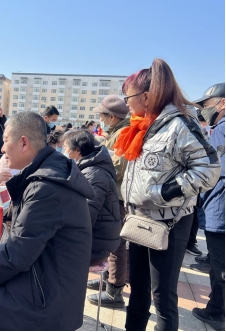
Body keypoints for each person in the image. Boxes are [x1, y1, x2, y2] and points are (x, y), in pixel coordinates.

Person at [0, 112, 94, 331]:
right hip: (46, 282)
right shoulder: (50, 172)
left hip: (46, 297)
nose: (2, 149)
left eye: (5, 141)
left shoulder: (47, 187)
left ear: (23, 143)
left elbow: (17, 253)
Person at [114, 59, 220, 331]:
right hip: (139, 220)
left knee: (163, 296)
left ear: (147, 96)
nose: (125, 101)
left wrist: (164, 191)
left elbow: (208, 169)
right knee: (137, 289)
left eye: (128, 95)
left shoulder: (179, 125)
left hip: (169, 223)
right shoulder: (141, 127)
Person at [86, 95, 131, 308]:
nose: (101, 120)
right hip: (114, 192)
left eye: (103, 116)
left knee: (117, 242)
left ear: (112, 117)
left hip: (118, 195)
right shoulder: (116, 131)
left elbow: (118, 166)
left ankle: (115, 290)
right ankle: (109, 276)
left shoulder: (123, 133)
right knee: (112, 239)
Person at [191, 82, 225, 331]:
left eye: (206, 104)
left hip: (220, 208)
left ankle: (216, 311)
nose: (204, 109)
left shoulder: (222, 129)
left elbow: (217, 171)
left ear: (222, 102)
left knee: (220, 265)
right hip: (217, 206)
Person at [62, 130, 121, 267]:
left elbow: (86, 215)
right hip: (97, 237)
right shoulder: (89, 168)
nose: (64, 152)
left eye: (66, 148)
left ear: (77, 150)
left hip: (97, 243)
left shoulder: (94, 174)